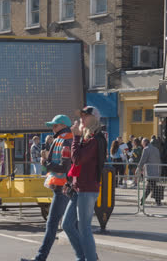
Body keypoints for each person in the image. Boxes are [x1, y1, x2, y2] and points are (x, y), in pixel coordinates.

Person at [21, 114, 73, 261]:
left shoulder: (65, 141)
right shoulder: (62, 139)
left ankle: (40, 258)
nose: (52, 128)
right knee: (73, 226)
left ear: (63, 125)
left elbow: (64, 167)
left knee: (52, 223)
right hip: (62, 187)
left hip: (63, 187)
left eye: (55, 125)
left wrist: (46, 163)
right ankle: (89, 257)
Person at [62, 106, 107, 261]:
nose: (81, 119)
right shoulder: (88, 138)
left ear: (93, 118)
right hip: (80, 188)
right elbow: (78, 165)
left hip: (87, 189)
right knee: (67, 225)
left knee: (84, 227)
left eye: (85, 116)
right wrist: (71, 183)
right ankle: (84, 257)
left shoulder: (95, 140)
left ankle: (89, 258)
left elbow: (78, 159)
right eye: (81, 116)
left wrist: (75, 137)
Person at [136, 138, 162, 206]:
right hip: (156, 170)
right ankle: (142, 200)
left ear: (144, 143)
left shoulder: (146, 149)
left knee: (153, 187)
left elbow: (143, 160)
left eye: (142, 143)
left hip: (150, 171)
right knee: (149, 187)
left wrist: (138, 168)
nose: (142, 145)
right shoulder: (156, 149)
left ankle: (158, 202)